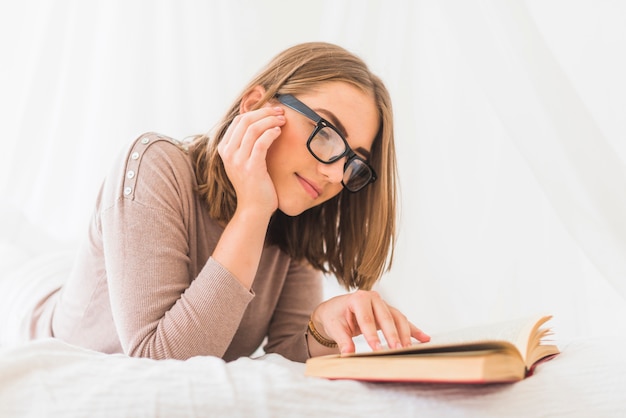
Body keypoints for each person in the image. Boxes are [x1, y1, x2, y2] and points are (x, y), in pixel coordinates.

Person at [26, 42, 430, 362]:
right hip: (35, 307)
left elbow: (285, 352)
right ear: (254, 106)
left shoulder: (295, 214)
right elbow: (158, 359)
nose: (334, 174)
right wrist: (252, 211)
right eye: (325, 133)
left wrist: (322, 327)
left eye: (353, 161)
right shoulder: (156, 165)